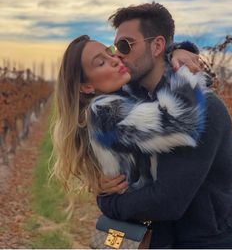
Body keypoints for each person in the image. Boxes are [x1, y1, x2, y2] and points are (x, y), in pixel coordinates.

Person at [96, 2, 232, 249]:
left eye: (125, 45)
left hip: (205, 242)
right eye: (115, 46)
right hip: (157, 238)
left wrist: (108, 202)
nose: (118, 54)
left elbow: (167, 201)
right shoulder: (140, 106)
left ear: (158, 45)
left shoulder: (200, 110)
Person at [52, 34, 207, 195]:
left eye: (110, 52)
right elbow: (181, 120)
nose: (115, 60)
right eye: (101, 63)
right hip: (146, 213)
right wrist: (182, 67)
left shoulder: (125, 94)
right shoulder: (104, 113)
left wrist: (177, 51)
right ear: (86, 87)